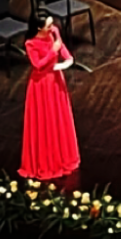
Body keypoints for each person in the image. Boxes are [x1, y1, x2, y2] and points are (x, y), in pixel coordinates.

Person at [19, 12, 80, 180]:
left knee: (59, 116)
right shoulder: (31, 44)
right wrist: (53, 52)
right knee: (45, 119)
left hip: (55, 78)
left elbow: (61, 46)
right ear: (39, 28)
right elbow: (38, 65)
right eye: (48, 25)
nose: (52, 27)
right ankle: (48, 159)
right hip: (41, 84)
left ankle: (63, 154)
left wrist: (67, 58)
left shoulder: (53, 31)